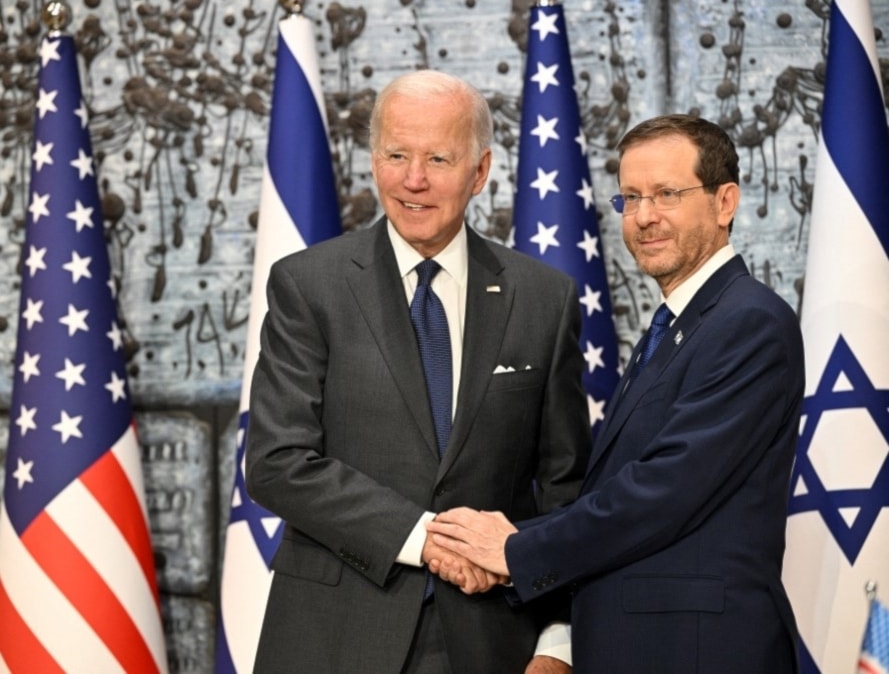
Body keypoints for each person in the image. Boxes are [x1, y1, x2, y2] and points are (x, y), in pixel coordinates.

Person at [244, 69, 592, 673]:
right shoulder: (309, 286)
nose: (414, 180)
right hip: (332, 638)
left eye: (438, 158)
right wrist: (426, 537)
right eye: (396, 154)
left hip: (494, 643)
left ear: (480, 171)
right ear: (374, 159)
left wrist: (557, 640)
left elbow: (565, 487)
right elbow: (277, 463)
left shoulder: (544, 298)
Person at [428, 114, 804, 673]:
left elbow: (663, 490)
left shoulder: (749, 322)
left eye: (667, 194)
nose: (644, 217)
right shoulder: (677, 325)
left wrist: (511, 548)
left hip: (700, 654)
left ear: (725, 203)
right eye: (630, 198)